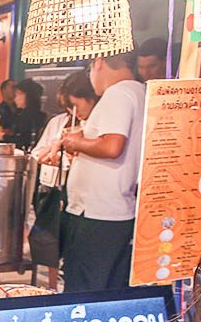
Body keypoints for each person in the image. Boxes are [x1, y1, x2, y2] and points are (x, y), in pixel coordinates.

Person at [59, 53, 145, 292]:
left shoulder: (117, 94)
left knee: (83, 290)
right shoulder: (139, 91)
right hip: (114, 211)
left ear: (98, 63)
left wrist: (75, 143)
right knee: (106, 288)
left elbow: (112, 146)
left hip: (97, 213)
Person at [29, 71, 98, 273]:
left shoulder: (94, 126)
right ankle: (51, 282)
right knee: (51, 241)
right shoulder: (58, 123)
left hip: (83, 196)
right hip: (55, 189)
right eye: (69, 107)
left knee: (74, 249)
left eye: (75, 106)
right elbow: (37, 153)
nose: (72, 111)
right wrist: (53, 154)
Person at [11, 78, 47, 152]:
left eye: (17, 94)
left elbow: (23, 141)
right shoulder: (41, 115)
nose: (15, 99)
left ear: (27, 95)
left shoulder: (26, 117)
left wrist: (4, 137)